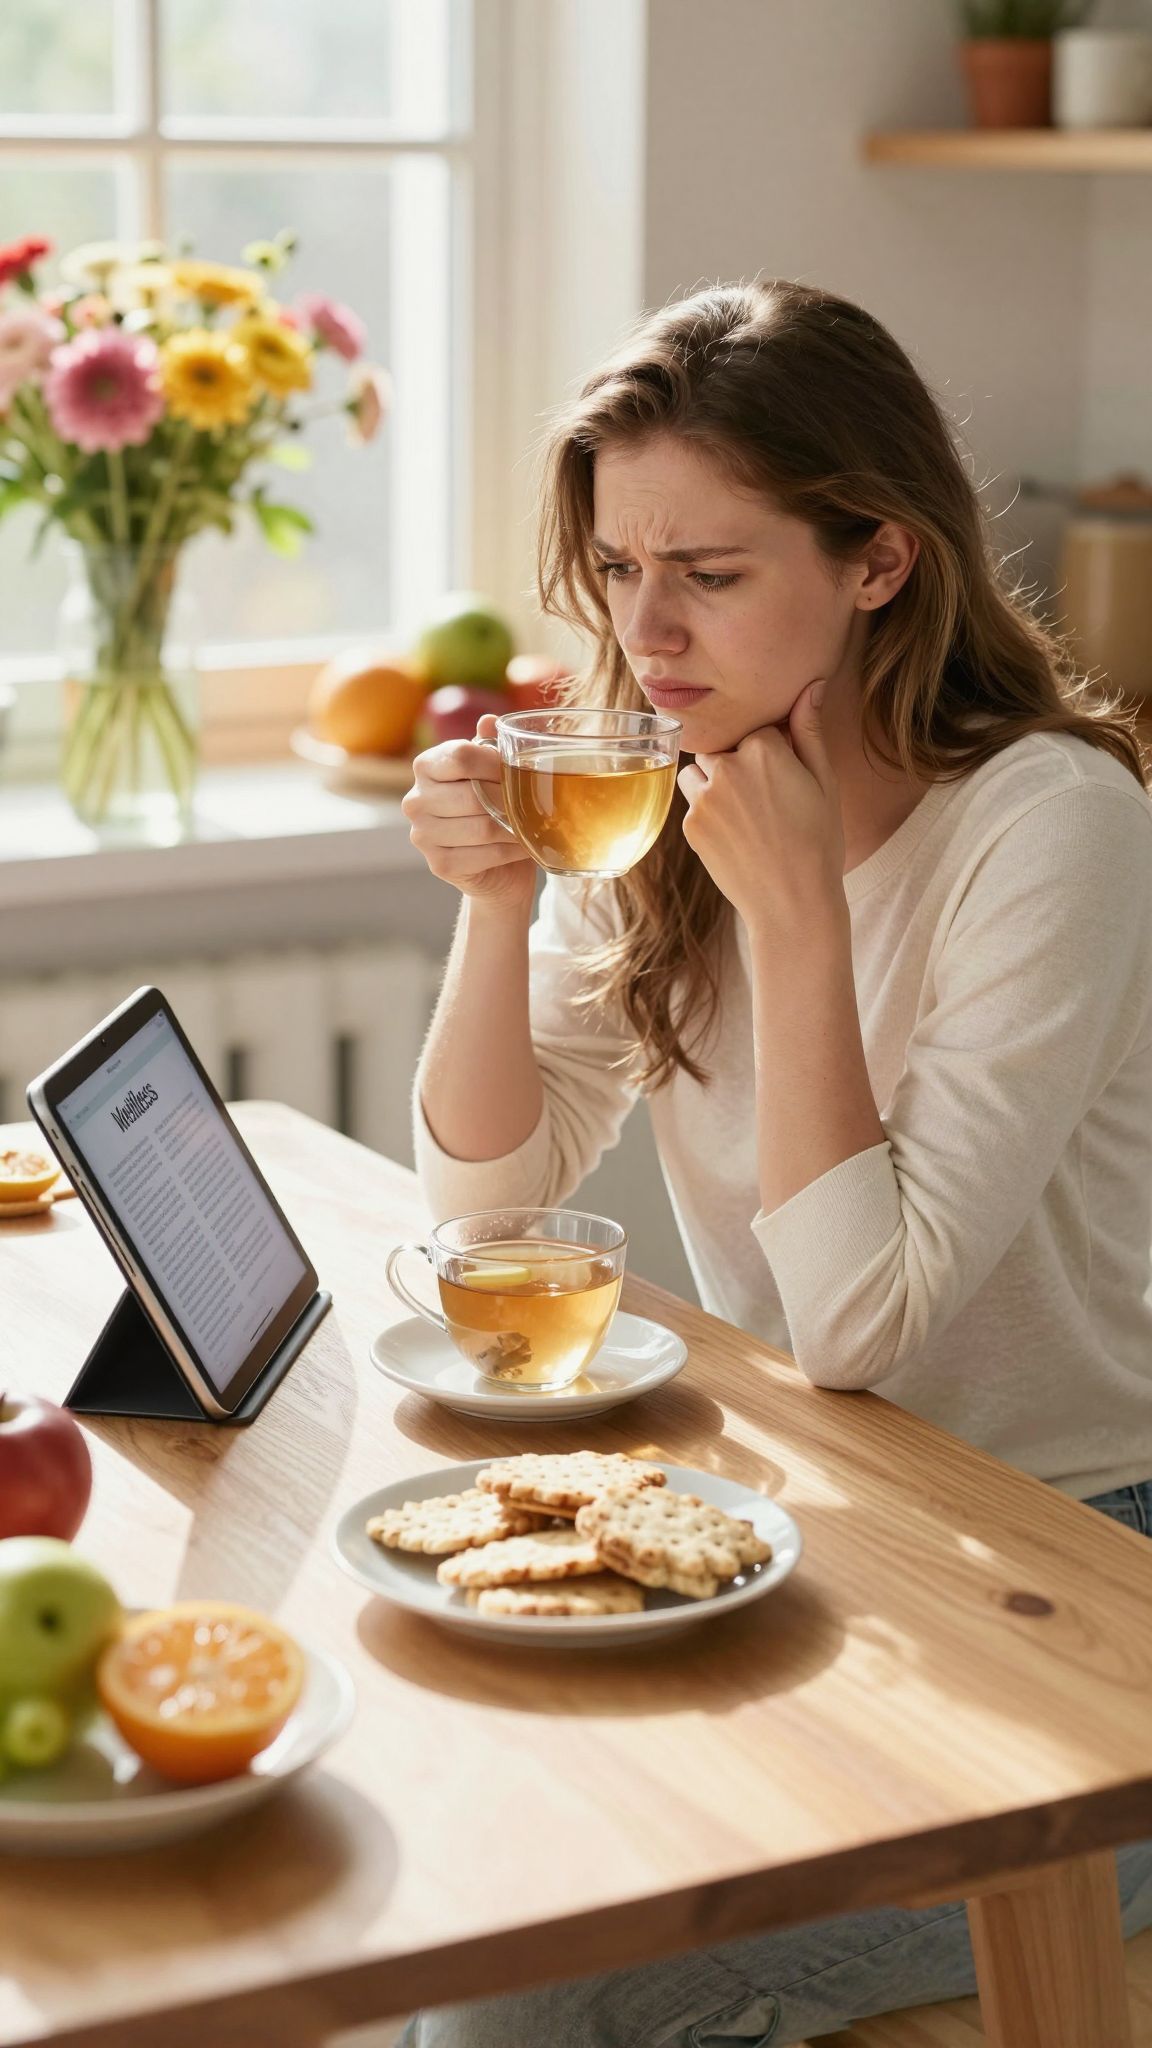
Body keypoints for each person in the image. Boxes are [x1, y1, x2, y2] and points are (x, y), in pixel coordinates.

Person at [398, 279, 1152, 2045]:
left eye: (710, 575)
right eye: (615, 570)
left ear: (879, 560)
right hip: (831, 1520)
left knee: (515, 2016)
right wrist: (496, 914)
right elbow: (484, 1222)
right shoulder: (672, 780)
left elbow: (855, 1324)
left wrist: (801, 917)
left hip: (1086, 1567)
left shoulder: (1055, 831)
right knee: (447, 1848)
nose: (645, 634)